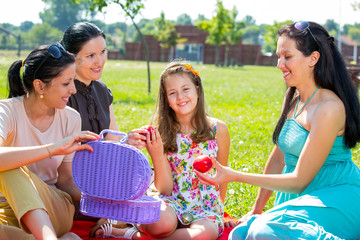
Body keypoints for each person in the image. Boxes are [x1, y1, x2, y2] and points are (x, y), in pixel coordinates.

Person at [195, 21, 360, 239]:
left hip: (336, 197)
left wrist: (234, 176)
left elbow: (300, 179)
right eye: (278, 56)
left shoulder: (328, 108)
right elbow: (277, 159)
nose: (279, 64)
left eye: (287, 56)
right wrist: (256, 210)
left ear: (313, 58)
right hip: (301, 198)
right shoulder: (294, 98)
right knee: (241, 233)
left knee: (262, 231)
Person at [94, 61, 231, 239]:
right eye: (172, 93)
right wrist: (157, 152)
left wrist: (218, 208)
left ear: (197, 89)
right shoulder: (161, 133)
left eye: (186, 89)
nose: (180, 97)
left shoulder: (218, 130)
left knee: (203, 235)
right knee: (159, 223)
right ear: (166, 98)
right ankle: (143, 229)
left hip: (205, 207)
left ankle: (131, 235)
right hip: (171, 202)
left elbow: (224, 174)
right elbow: (164, 189)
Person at [0, 44, 101, 240]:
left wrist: (101, 200)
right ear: (39, 86)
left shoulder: (71, 118)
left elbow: (65, 181)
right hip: (8, 208)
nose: (73, 90)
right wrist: (52, 149)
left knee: (10, 166)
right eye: (66, 83)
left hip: (54, 207)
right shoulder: (6, 112)